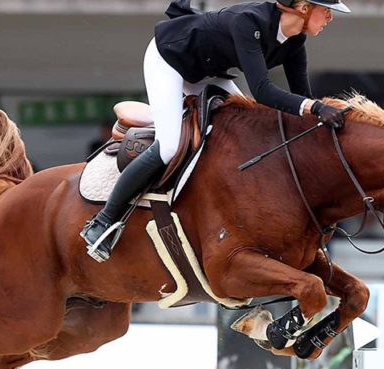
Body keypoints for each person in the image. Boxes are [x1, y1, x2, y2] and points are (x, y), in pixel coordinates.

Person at [80, 0, 350, 262]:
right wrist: (314, 108)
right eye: (326, 10)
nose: (330, 18)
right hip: (171, 60)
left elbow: (302, 97)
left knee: (252, 133)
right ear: (303, 8)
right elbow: (263, 90)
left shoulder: (295, 42)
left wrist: (325, 117)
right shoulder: (251, 22)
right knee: (170, 146)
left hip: (210, 72)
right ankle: (103, 222)